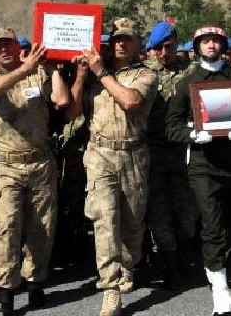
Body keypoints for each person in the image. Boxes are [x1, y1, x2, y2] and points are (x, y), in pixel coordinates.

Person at [166, 26, 231, 316]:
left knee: (230, 224)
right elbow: (171, 125)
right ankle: (221, 292)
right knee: (211, 223)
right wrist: (193, 135)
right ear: (197, 47)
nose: (211, 45)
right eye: (205, 41)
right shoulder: (188, 84)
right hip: (203, 164)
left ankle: (216, 265)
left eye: (216, 41)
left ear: (223, 46)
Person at [67, 18, 158, 316]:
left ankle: (127, 265)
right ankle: (110, 288)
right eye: (116, 39)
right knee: (105, 219)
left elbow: (131, 102)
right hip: (99, 153)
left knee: (132, 223)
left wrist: (99, 71)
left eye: (127, 39)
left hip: (133, 154)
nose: (120, 43)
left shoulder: (146, 74)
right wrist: (81, 76)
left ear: (136, 45)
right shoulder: (93, 73)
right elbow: (73, 112)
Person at [0, 28, 69, 314]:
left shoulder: (37, 74)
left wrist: (52, 69)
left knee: (41, 226)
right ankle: (5, 289)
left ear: (17, 45)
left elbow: (61, 100)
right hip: (8, 165)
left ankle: (35, 283)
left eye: (7, 44)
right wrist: (27, 67)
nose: (3, 50)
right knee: (7, 225)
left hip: (41, 161)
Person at [143, 21, 198, 289]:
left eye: (168, 47)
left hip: (183, 149)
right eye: (158, 48)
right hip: (153, 149)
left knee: (186, 208)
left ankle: (186, 249)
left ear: (177, 43)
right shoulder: (144, 72)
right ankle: (169, 263)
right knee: (158, 209)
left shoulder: (192, 72)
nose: (163, 53)